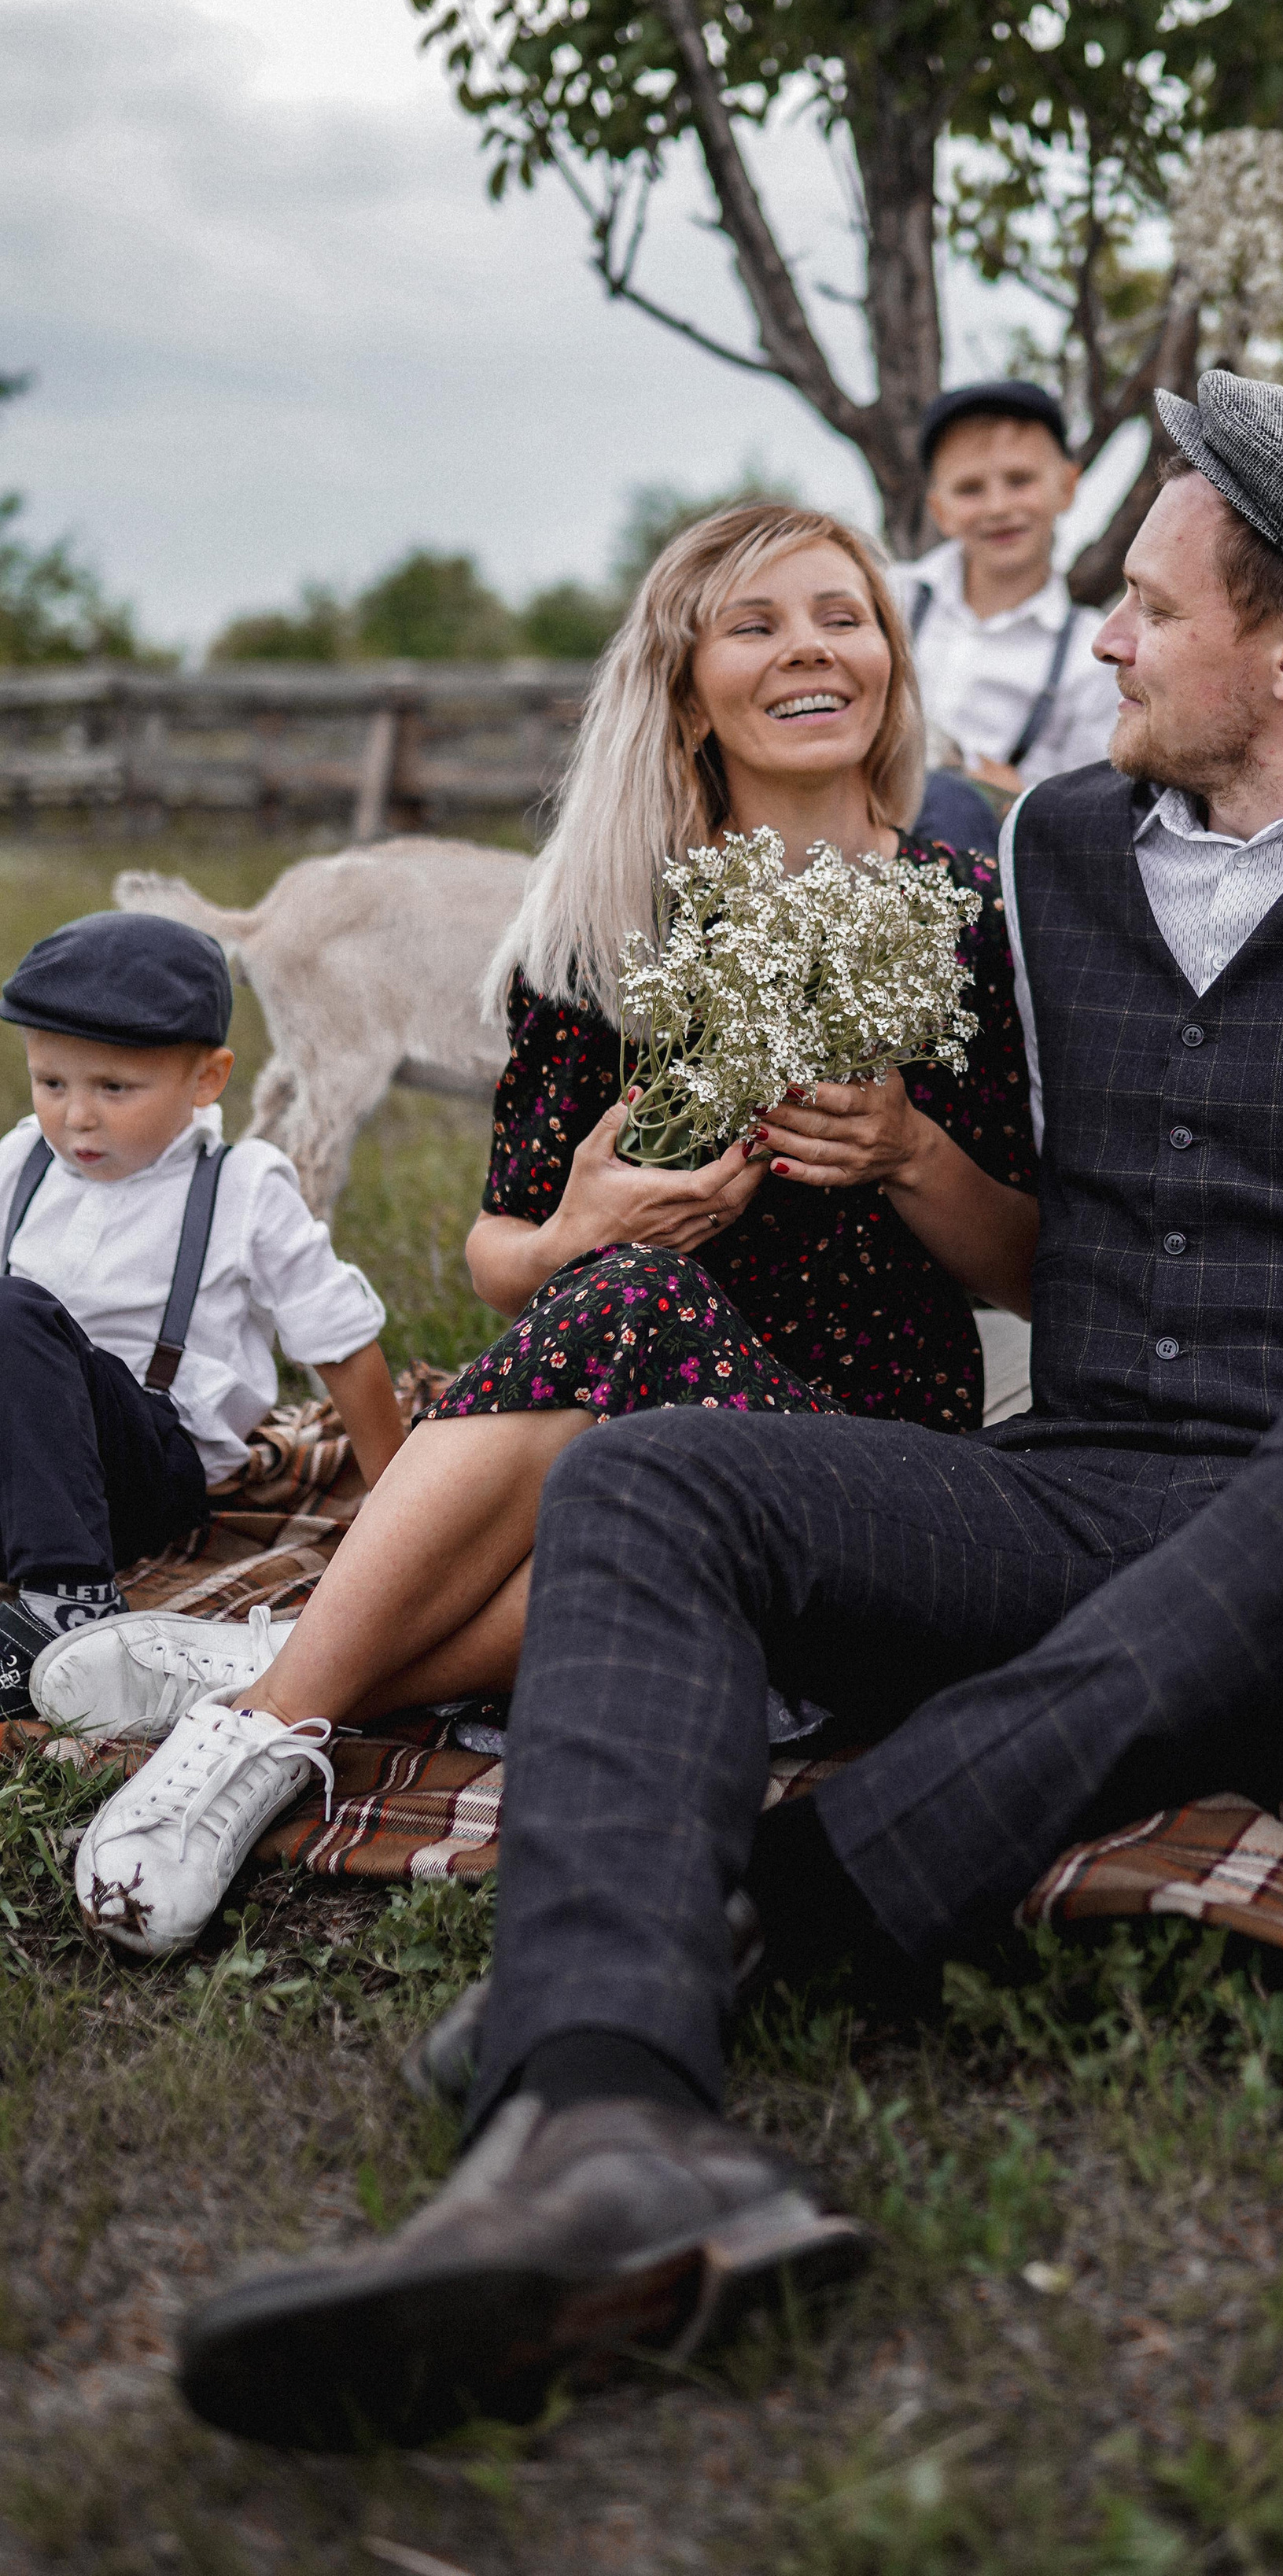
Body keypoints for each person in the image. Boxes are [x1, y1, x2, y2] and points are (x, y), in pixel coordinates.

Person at [174, 378, 1283, 2455]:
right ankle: (607, 2132)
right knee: (652, 1487)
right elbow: (973, 1198)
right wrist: (808, 1147)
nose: (1095, 638)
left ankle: (815, 1890)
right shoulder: (1055, 852)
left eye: (1147, 606)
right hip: (1081, 1507)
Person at [50, 501, 1036, 1957]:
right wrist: (581, 1219)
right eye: (755, 625)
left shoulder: (958, 908)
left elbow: (1029, 1268)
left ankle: (276, 1692)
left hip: (873, 1447)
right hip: (621, 1433)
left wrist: (908, 1150)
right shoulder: (600, 933)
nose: (812, 650)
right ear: (687, 690)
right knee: (626, 1323)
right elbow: (499, 1262)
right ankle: (295, 1697)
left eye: (845, 616)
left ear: (889, 655)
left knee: (627, 1342)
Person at [0, 912, 401, 1723]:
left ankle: (69, 1607)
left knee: (12, 1313)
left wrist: (401, 1516)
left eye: (114, 1088)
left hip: (143, 1469)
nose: (77, 1116)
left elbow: (343, 1346)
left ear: (207, 1080)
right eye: (53, 1084)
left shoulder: (242, 1188)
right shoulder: (19, 1161)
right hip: (23, 1462)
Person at [901, 379, 1120, 807]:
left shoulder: (1095, 657)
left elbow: (1091, 812)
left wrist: (1018, 797)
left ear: (1067, 487)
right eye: (969, 489)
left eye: (1020, 480)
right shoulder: (889, 599)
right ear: (939, 511)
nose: (998, 507)